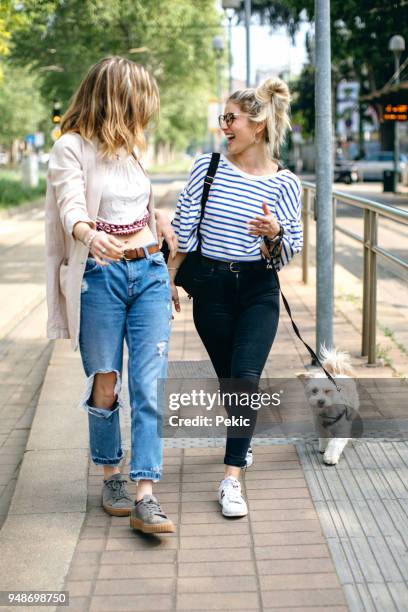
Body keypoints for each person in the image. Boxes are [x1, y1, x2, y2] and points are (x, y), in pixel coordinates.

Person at [45, 56, 178, 534]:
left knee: (148, 385)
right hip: (99, 277)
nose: (145, 110)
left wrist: (158, 219)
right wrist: (86, 232)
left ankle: (145, 492)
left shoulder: (134, 148)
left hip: (149, 274)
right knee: (107, 384)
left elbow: (134, 201)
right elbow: (70, 206)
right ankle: (111, 474)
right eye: (139, 100)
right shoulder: (71, 148)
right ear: (117, 100)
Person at [169, 77, 303, 518]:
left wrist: (275, 233)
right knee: (232, 382)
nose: (224, 126)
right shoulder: (206, 167)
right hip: (212, 290)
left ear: (258, 124)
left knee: (245, 378)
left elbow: (287, 250)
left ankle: (231, 479)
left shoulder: (285, 183)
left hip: (257, 291)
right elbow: (185, 229)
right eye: (221, 119)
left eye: (231, 119)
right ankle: (241, 445)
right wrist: (167, 280)